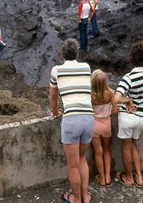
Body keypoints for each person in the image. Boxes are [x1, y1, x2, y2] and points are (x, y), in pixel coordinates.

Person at [49, 38, 93, 203]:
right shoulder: (86, 67)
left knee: (73, 164)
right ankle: (85, 196)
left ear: (62, 54)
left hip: (71, 120)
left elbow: (53, 96)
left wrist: (54, 112)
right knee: (82, 159)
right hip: (88, 118)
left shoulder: (56, 70)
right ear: (77, 53)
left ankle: (75, 198)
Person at [113, 41, 143, 188]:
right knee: (133, 144)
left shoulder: (129, 77)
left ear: (132, 58)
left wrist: (127, 100)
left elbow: (116, 98)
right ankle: (139, 177)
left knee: (126, 147)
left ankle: (128, 177)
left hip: (128, 116)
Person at [90, 69, 117, 188]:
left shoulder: (91, 95)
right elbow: (115, 110)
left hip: (94, 126)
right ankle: (108, 177)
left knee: (98, 152)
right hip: (106, 125)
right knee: (106, 150)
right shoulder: (110, 93)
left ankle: (101, 178)